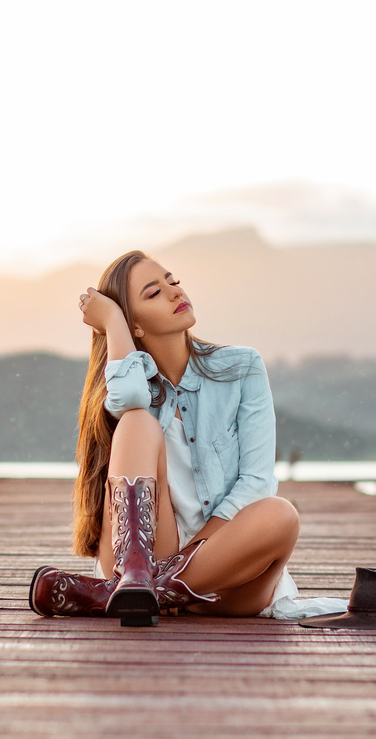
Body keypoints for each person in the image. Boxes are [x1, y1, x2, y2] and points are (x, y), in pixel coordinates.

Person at [29, 250, 301, 626]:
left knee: (280, 514)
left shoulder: (242, 367)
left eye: (172, 281)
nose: (175, 292)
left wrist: (195, 555)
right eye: (153, 293)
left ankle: (131, 592)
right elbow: (131, 399)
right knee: (138, 423)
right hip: (139, 555)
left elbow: (256, 482)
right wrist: (111, 321)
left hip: (227, 574)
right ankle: (138, 582)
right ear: (134, 326)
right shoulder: (130, 391)